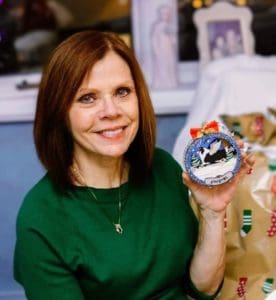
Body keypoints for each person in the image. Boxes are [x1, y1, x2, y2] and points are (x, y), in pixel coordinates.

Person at [13, 30, 254, 300]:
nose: (111, 111)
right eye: (87, 98)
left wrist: (212, 212)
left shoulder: (162, 168)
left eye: (122, 92)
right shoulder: (41, 218)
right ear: (60, 112)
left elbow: (201, 289)